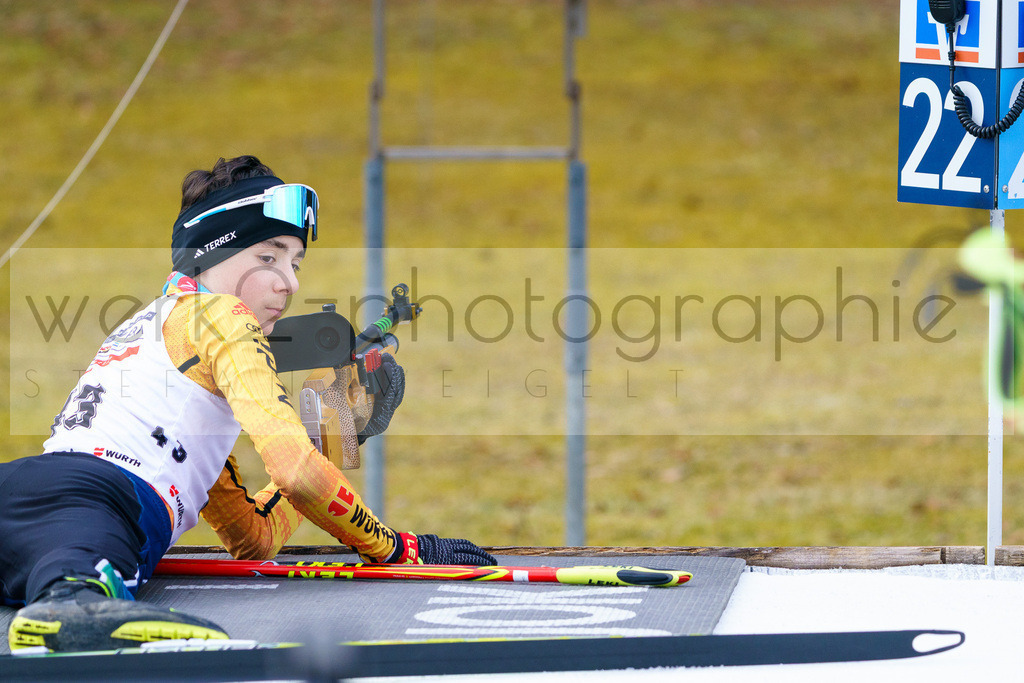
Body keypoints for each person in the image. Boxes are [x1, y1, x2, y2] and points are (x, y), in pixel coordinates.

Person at [1, 155, 495, 653]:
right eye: (268, 258)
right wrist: (397, 549)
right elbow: (296, 473)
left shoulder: (163, 331)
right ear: (210, 254)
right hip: (97, 505)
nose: (290, 282)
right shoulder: (224, 316)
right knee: (71, 607)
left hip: (31, 491)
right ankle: (70, 595)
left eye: (295, 263)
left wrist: (328, 438)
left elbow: (251, 537)